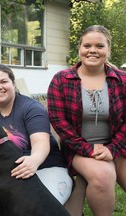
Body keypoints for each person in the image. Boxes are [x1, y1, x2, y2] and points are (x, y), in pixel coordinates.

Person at [47, 25, 126, 215]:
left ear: (108, 49)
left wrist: (112, 149)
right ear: (79, 49)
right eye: (87, 45)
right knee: (103, 174)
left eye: (99, 46)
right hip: (78, 149)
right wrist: (89, 149)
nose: (92, 50)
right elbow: (60, 124)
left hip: (118, 146)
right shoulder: (61, 80)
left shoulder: (122, 80)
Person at [0, 64, 73, 205]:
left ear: (13, 84)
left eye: (3, 81)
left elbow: (40, 142)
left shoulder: (31, 108)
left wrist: (34, 160)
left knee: (41, 207)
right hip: (14, 174)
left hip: (47, 167)